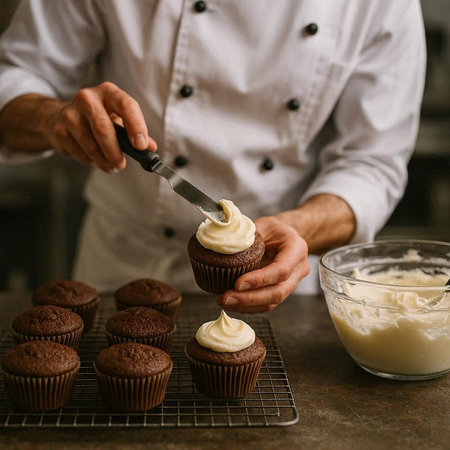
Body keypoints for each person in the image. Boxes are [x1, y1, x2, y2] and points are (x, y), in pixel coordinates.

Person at [0, 0, 425, 313]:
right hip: (123, 270)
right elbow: (15, 76)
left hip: (281, 292)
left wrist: (299, 229)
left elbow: (372, 164)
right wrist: (54, 118)